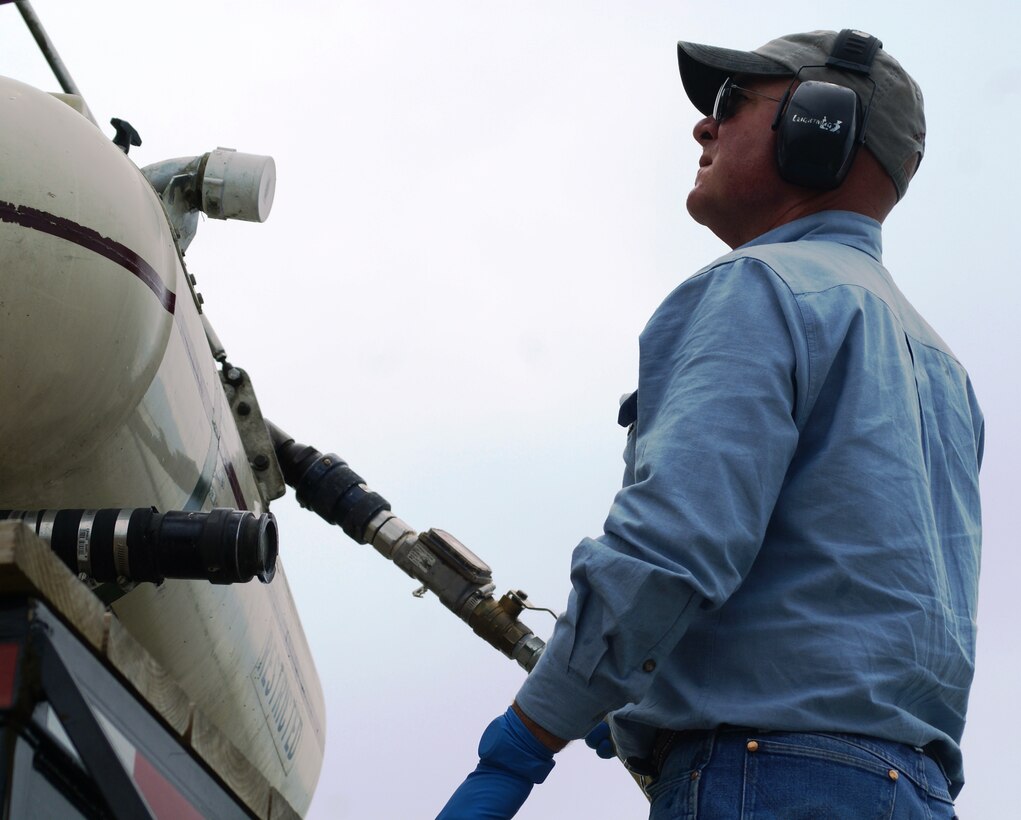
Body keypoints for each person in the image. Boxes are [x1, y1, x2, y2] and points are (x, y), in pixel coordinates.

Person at [437, 29, 983, 819]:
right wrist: (635, 703)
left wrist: (522, 742)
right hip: (911, 793)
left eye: (731, 103)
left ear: (816, 129)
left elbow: (670, 549)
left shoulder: (756, 289)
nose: (703, 126)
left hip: (763, 781)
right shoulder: (939, 364)